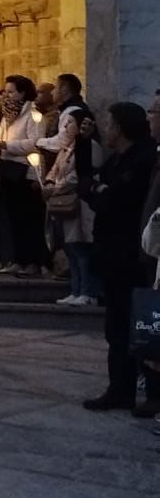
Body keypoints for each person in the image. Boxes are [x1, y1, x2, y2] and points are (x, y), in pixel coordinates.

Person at [84, 102, 156, 412]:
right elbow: (90, 186)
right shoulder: (118, 160)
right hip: (112, 254)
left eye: (110, 124)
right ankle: (120, 388)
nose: (106, 129)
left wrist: (101, 191)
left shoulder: (142, 159)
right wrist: (98, 189)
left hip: (131, 255)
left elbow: (113, 199)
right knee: (116, 326)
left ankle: (144, 391)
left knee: (137, 325)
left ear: (122, 127)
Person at [0, 75, 45, 276]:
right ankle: (13, 259)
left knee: (26, 219)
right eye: (6, 92)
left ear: (22, 93)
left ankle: (31, 261)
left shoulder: (33, 115)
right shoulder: (5, 116)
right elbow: (0, 139)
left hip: (24, 172)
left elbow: (36, 142)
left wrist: (8, 145)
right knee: (9, 219)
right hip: (6, 171)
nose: (7, 95)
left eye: (11, 91)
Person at [44, 111, 100, 307]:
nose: (66, 127)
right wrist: (49, 182)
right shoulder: (66, 149)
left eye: (70, 123)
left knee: (81, 249)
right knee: (71, 249)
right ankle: (76, 289)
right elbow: (55, 171)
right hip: (63, 204)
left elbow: (80, 175)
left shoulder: (89, 147)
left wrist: (56, 188)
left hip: (79, 204)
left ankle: (88, 291)